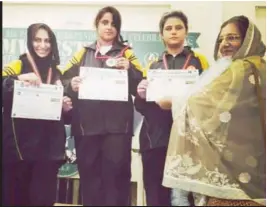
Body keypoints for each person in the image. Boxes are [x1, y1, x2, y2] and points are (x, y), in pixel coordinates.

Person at [160, 15, 266, 206]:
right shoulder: (258, 67)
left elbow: (198, 103)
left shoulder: (239, 69)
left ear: (248, 40)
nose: (224, 44)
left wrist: (172, 101)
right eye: (221, 39)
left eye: (232, 37)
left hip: (232, 168)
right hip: (254, 165)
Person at [61, 6, 143, 206]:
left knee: (116, 180)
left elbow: (141, 85)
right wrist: (71, 85)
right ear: (96, 25)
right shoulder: (83, 52)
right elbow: (63, 78)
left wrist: (130, 70)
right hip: (86, 128)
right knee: (90, 179)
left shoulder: (127, 54)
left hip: (117, 129)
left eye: (114, 24)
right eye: (105, 22)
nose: (109, 27)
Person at [134, 11, 209, 206]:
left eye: (178, 28)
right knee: (155, 194)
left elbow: (208, 100)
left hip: (188, 140)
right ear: (162, 35)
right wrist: (142, 95)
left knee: (186, 197)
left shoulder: (199, 62)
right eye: (168, 28)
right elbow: (141, 107)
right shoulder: (153, 65)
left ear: (186, 31)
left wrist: (198, 81)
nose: (173, 32)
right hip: (155, 140)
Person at [2, 23, 72, 206]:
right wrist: (19, 78)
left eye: (47, 40)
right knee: (17, 198)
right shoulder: (18, 64)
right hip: (20, 150)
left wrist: (65, 107)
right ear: (29, 41)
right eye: (37, 40)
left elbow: (68, 114)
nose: (43, 45)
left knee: (43, 199)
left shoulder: (57, 71)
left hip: (48, 151)